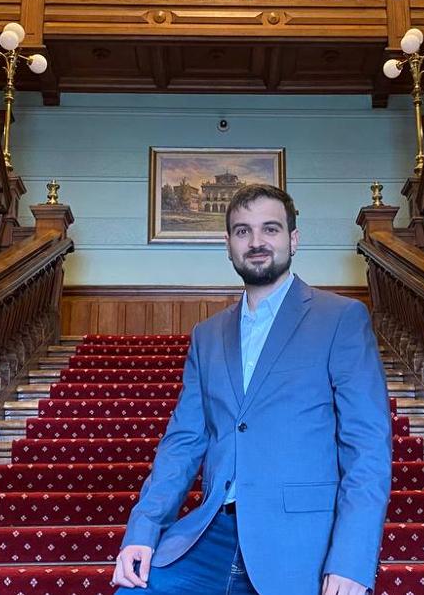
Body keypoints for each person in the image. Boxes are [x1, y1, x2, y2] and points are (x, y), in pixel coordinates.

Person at [111, 184, 392, 595]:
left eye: (270, 229)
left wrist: (351, 558)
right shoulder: (207, 335)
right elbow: (185, 441)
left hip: (303, 543)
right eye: (242, 231)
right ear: (228, 245)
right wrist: (144, 530)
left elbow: (367, 446)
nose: (256, 242)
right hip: (214, 534)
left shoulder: (341, 318)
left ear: (293, 239)